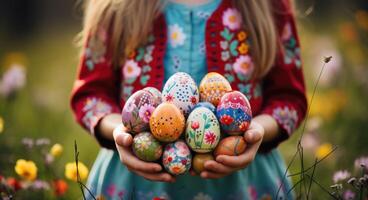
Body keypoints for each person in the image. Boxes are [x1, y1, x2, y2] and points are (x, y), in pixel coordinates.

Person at [70, 0, 307, 199]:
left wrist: (256, 131)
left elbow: (288, 97)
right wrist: (122, 133)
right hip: (133, 179)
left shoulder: (268, 5)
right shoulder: (117, 6)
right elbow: (92, 95)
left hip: (245, 182)